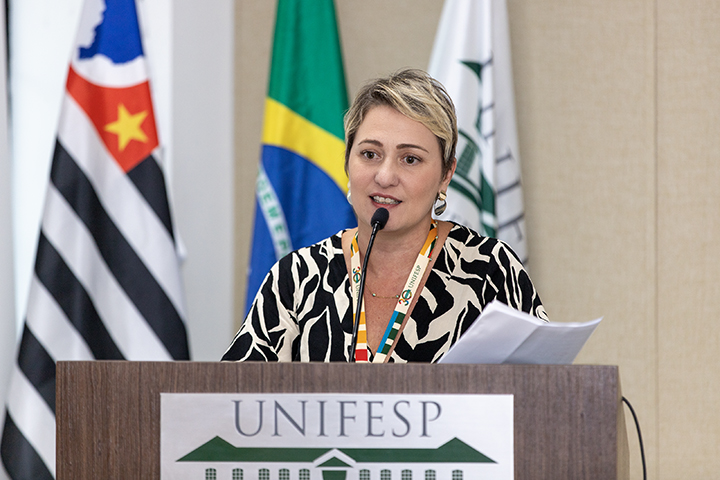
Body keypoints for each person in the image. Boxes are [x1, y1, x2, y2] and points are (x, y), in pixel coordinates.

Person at [223, 68, 547, 363]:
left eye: (410, 159)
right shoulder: (295, 277)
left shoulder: (490, 270)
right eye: (370, 154)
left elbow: (544, 396)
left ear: (446, 174)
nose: (385, 176)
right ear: (348, 160)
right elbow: (234, 399)